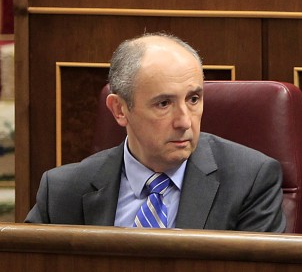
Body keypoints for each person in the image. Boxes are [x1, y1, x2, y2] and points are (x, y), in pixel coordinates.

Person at [26, 33, 285, 232]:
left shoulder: (250, 182)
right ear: (120, 110)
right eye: (164, 103)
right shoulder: (63, 191)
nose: (184, 121)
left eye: (193, 99)